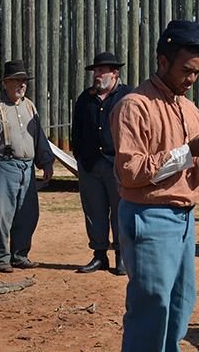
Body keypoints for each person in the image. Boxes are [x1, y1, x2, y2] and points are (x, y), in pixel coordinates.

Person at [110, 20, 199, 351]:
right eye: (186, 70)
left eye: (197, 73)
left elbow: (186, 166)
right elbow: (132, 173)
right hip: (149, 217)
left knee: (179, 305)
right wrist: (191, 152)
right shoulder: (134, 106)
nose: (191, 79)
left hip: (185, 218)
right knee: (151, 308)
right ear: (163, 62)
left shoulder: (190, 109)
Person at [0, 60, 55, 273]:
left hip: (27, 169)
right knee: (1, 215)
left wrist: (46, 162)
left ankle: (19, 256)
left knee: (28, 215)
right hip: (2, 167)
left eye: (24, 80)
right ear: (6, 82)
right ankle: (1, 258)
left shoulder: (29, 105)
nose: (22, 84)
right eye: (18, 80)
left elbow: (39, 138)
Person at [72, 52, 133, 275]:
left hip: (117, 165)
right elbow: (76, 130)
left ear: (114, 73)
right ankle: (99, 256)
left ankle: (121, 256)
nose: (96, 75)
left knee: (120, 212)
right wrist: (78, 155)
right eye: (95, 72)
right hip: (89, 165)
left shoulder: (128, 96)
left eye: (101, 71)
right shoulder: (85, 97)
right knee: (93, 212)